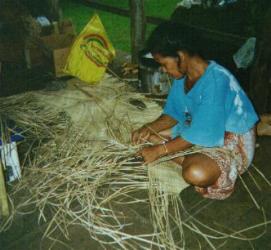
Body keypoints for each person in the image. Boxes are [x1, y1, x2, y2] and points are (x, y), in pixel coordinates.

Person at [131, 21, 259, 200]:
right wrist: (149, 127)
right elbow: (173, 113)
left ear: (181, 56)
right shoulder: (181, 79)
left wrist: (160, 151)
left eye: (164, 63)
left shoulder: (216, 80)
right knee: (147, 138)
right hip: (199, 128)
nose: (163, 69)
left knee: (195, 173)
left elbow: (203, 132)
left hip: (230, 140)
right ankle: (184, 155)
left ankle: (193, 162)